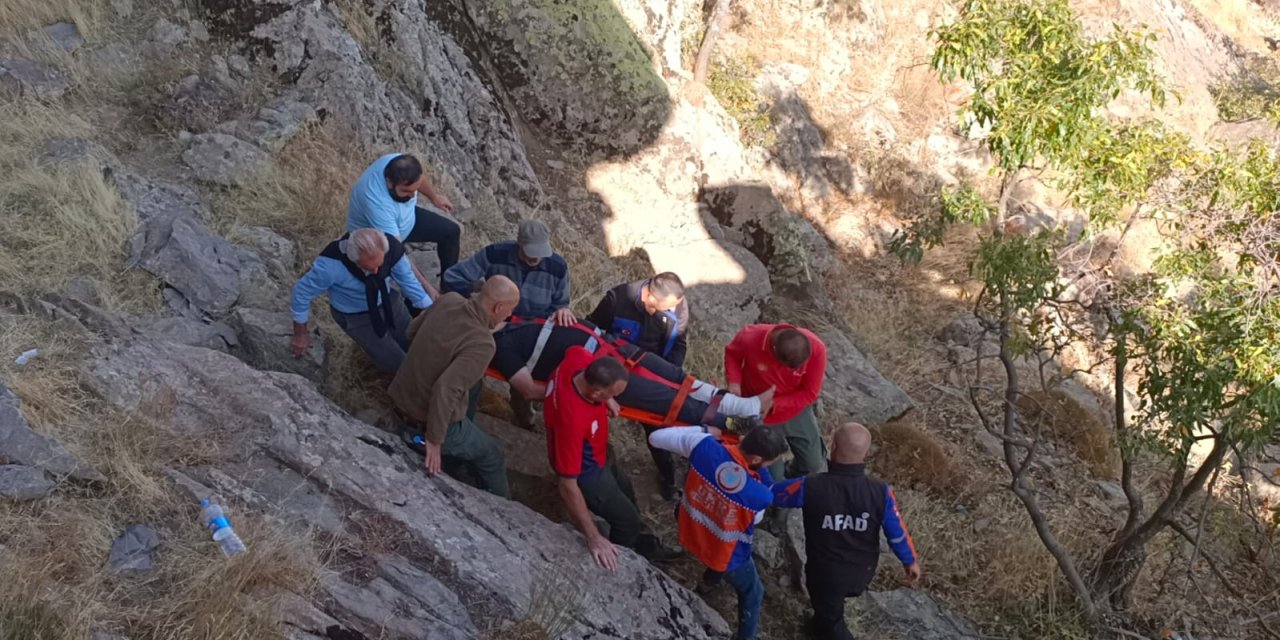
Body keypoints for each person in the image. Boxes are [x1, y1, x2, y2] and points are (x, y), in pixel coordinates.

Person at [772, 423, 921, 640]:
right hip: (861, 573)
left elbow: (773, 494)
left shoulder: (810, 486)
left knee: (831, 619)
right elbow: (897, 533)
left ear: (832, 447)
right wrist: (910, 561)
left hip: (824, 576)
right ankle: (818, 625)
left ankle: (824, 627)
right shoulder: (882, 492)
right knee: (828, 610)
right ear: (866, 454)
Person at [488, 318, 772, 430]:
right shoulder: (503, 348)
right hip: (601, 375)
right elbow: (530, 390)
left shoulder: (516, 318)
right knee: (673, 401)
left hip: (611, 345)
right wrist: (594, 395)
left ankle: (741, 406)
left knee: (678, 377)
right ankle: (735, 423)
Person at [544, 346, 681, 569]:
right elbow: (567, 485)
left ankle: (644, 544)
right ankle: (622, 560)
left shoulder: (577, 363)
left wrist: (607, 400)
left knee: (627, 495)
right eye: (613, 394)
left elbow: (575, 348)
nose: (616, 398)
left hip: (600, 453)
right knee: (626, 521)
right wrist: (593, 537)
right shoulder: (572, 420)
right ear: (595, 393)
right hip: (589, 474)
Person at [648, 424, 790, 640]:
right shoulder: (759, 496)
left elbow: (657, 437)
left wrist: (705, 430)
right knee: (753, 593)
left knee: (716, 557)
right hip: (723, 549)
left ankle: (709, 582)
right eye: (769, 462)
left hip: (692, 523)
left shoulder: (703, 446)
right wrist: (762, 473)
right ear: (756, 460)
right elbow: (757, 512)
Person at [388, 277, 521, 498]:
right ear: (498, 308)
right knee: (493, 455)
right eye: (510, 310)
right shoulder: (483, 343)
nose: (509, 316)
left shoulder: (448, 300)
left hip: (400, 395)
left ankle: (457, 455)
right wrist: (434, 440)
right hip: (423, 422)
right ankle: (501, 509)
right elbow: (446, 389)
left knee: (474, 383)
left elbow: (411, 331)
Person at [586, 272, 690, 500]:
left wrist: (669, 373)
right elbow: (592, 329)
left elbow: (679, 344)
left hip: (651, 373)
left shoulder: (679, 308)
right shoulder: (618, 299)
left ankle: (667, 477)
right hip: (612, 369)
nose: (674, 310)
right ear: (651, 298)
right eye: (669, 307)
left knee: (658, 427)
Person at [290, 228, 433, 373]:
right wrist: (300, 333)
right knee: (395, 361)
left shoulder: (392, 249)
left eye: (380, 264)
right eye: (369, 268)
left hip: (388, 301)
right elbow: (301, 293)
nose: (377, 272)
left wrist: (434, 313)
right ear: (354, 260)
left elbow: (411, 285)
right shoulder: (330, 266)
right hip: (355, 316)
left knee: (414, 340)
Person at [346, 152, 461, 296]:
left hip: (405, 220)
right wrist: (427, 289)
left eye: (415, 189)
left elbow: (420, 179)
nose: (413, 195)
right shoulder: (376, 203)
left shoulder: (399, 164)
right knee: (404, 291)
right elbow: (398, 252)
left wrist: (434, 198)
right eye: (407, 191)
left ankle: (448, 289)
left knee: (451, 232)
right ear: (389, 182)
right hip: (376, 242)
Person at [725, 323, 828, 480]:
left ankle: (792, 479)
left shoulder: (817, 348)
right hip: (758, 412)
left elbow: (810, 392)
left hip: (796, 410)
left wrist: (775, 403)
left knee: (813, 464)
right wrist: (734, 383)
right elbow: (732, 354)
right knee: (773, 477)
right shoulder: (750, 337)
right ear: (773, 350)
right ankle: (774, 497)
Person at [442, 219, 573, 323]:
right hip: (492, 323)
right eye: (532, 251)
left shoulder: (558, 267)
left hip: (533, 329)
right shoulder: (495, 254)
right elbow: (452, 277)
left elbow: (560, 304)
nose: (536, 257)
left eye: (541, 252)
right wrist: (478, 289)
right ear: (520, 244)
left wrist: (563, 310)